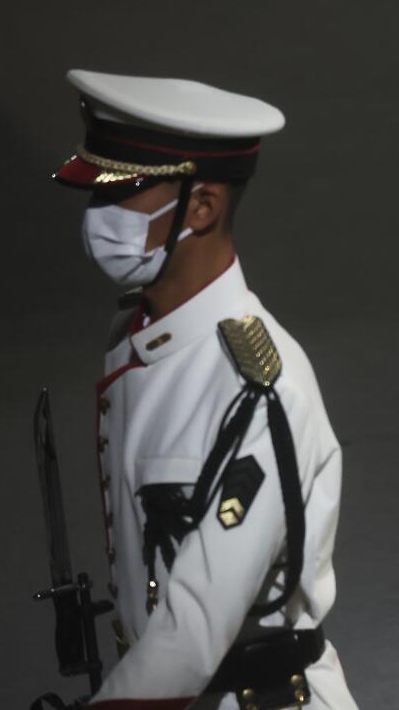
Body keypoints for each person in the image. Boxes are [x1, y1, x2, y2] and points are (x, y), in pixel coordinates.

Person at [52, 70, 357, 709]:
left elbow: (194, 627)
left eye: (124, 193)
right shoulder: (136, 337)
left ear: (202, 206)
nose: (98, 215)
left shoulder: (258, 389)